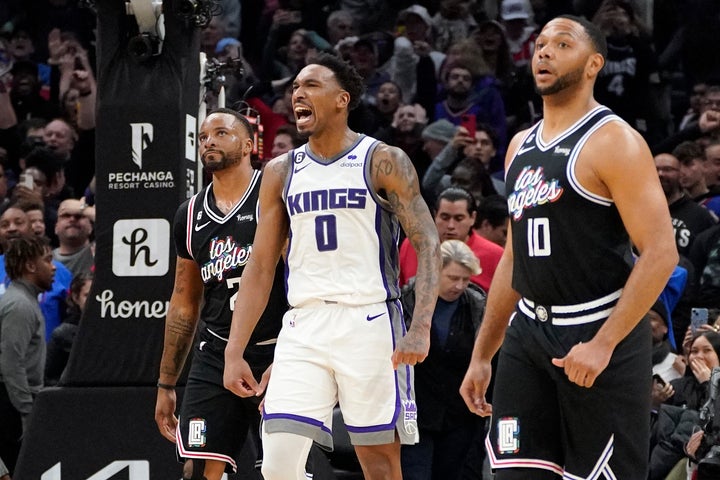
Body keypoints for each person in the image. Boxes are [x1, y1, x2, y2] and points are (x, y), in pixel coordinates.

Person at [459, 15, 678, 479]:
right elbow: (516, 257)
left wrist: (603, 343)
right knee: (514, 470)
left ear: (595, 63)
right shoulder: (519, 145)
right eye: (540, 44)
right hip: (527, 337)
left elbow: (661, 252)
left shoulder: (614, 140)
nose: (545, 52)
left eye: (562, 44)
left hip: (597, 332)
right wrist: (483, 353)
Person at [223, 52, 441, 480]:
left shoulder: (383, 160)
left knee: (378, 464)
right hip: (304, 323)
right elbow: (261, 265)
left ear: (343, 99)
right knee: (279, 465)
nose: (298, 94)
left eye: (311, 86)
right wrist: (234, 351)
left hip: (371, 320)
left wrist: (420, 326)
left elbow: (428, 242)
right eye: (295, 87)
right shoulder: (281, 171)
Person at [154, 109, 286, 479]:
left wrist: (297, 349)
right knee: (196, 467)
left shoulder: (275, 196)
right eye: (203, 136)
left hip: (278, 350)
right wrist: (166, 383)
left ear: (248, 145)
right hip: (216, 352)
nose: (209, 140)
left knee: (280, 469)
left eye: (221, 133)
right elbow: (183, 301)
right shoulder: (190, 213)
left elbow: (306, 282)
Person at [399, 239, 486, 480]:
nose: (459, 286)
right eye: (453, 277)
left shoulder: (476, 306)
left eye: (465, 279)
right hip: (415, 412)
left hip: (459, 416)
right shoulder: (407, 301)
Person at [0, 235, 55, 475]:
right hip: (10, 406)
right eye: (47, 260)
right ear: (31, 266)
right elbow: (11, 363)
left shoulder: (23, 301)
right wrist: (26, 411)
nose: (53, 267)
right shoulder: (19, 306)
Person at [400, 187, 503, 294]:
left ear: (473, 218)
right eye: (445, 217)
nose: (451, 226)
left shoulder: (495, 256)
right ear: (435, 215)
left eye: (459, 218)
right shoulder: (413, 244)